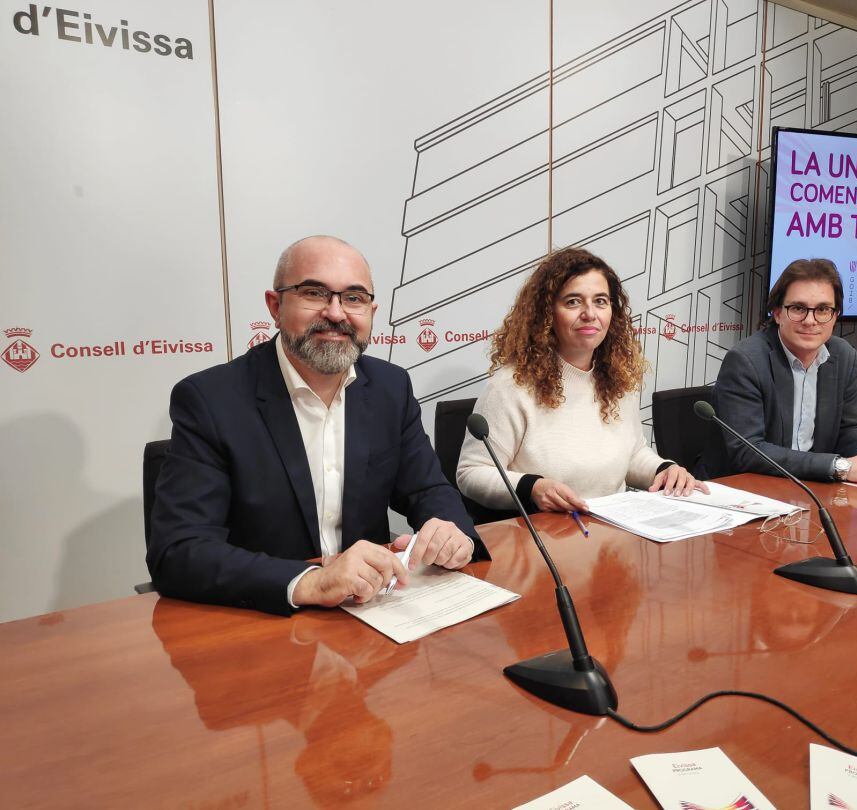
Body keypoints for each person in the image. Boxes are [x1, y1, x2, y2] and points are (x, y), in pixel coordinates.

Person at [148, 235, 488, 616]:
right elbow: (178, 551)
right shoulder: (210, 399)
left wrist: (450, 531)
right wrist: (311, 581)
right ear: (275, 306)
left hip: (371, 614)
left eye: (354, 298)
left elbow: (427, 488)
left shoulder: (390, 387)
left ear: (372, 310)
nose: (337, 313)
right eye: (314, 293)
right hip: (263, 617)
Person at [456, 246, 704, 515]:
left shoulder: (617, 379)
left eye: (600, 301)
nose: (590, 313)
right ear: (547, 313)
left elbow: (631, 454)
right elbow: (471, 472)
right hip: (544, 535)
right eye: (573, 302)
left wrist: (665, 470)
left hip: (614, 531)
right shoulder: (511, 386)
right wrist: (532, 488)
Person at [696, 258, 857, 483]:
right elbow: (749, 451)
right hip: (742, 490)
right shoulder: (746, 360)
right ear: (777, 313)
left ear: (835, 315)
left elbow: (848, 431)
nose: (810, 320)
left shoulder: (843, 356)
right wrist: (840, 466)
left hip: (810, 486)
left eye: (822, 309)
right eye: (798, 308)